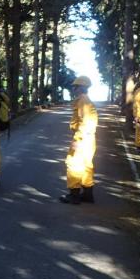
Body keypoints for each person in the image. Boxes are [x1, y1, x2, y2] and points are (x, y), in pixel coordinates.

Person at [60, 76, 98, 205]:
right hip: (88, 138)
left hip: (83, 137)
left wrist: (78, 139)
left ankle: (74, 195)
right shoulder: (83, 100)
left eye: (75, 87)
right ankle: (88, 194)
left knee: (73, 164)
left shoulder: (83, 101)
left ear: (81, 87)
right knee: (87, 165)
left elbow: (85, 122)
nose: (73, 89)